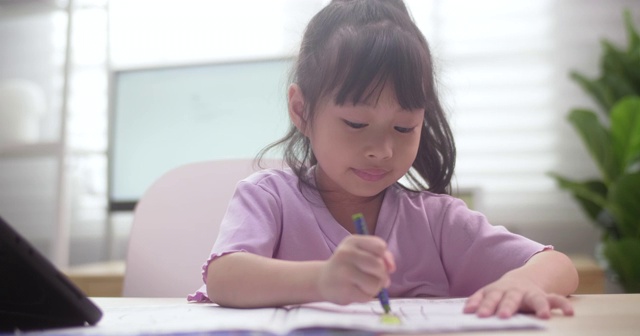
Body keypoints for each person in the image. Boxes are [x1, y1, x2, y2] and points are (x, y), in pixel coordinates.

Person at [188, 0, 578, 319]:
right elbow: (224, 276)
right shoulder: (269, 197)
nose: (382, 150)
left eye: (404, 128)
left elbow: (558, 265)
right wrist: (324, 279)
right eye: (357, 124)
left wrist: (525, 283)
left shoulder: (436, 222)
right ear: (301, 110)